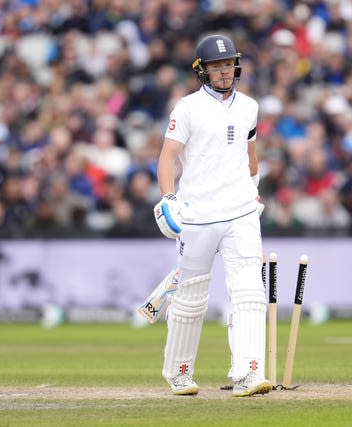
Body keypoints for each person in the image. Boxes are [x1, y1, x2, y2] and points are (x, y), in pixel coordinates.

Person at [152, 34, 271, 397]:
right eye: (216, 66)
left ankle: (249, 373)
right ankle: (180, 372)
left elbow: (250, 154)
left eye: (228, 64)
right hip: (198, 214)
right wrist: (168, 197)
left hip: (241, 212)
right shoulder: (187, 108)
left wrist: (253, 186)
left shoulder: (249, 106)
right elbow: (168, 157)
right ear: (201, 71)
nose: (224, 71)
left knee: (250, 291)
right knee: (190, 299)